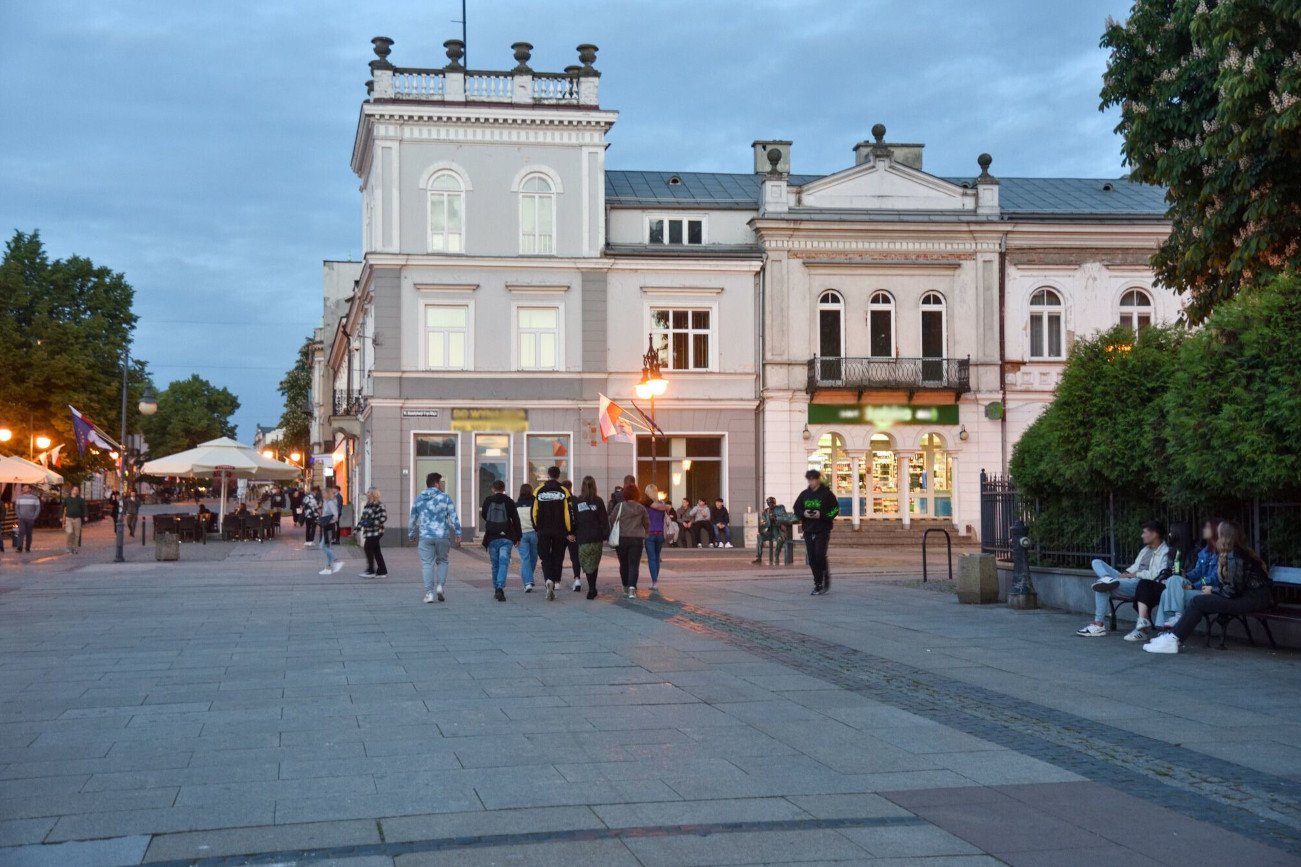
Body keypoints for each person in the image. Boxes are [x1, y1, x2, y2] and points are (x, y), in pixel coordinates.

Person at [1144, 521, 1273, 654]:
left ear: (1225, 536)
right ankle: (1171, 636)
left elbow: (1232, 591)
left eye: (1219, 534)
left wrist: (1212, 590)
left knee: (1199, 601)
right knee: (1197, 600)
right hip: (1248, 597)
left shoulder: (1235, 555)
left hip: (1252, 599)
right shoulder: (1233, 552)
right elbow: (1233, 587)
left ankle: (1173, 639)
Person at [1076, 520, 1170, 638]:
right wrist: (1126, 573)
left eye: (1144, 532)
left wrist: (1135, 574)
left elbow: (1157, 575)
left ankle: (1098, 625)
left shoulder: (1165, 552)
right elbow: (1135, 566)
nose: (1142, 535)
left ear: (1155, 534)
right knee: (1096, 562)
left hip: (1140, 583)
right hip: (1128, 578)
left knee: (1101, 587)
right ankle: (1106, 578)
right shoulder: (1145, 549)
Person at [1154, 518, 1222, 628]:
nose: (1204, 530)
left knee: (1167, 593)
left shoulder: (1221, 552)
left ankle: (1177, 619)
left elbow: (1214, 578)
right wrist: (1185, 575)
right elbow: (1197, 571)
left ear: (1215, 530)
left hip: (1210, 591)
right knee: (1172, 582)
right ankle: (1165, 628)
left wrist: (1194, 585)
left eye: (1207, 528)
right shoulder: (1205, 551)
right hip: (1199, 588)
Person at [409, 472, 462, 603]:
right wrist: (458, 532)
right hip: (442, 536)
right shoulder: (445, 497)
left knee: (427, 564)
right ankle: (440, 587)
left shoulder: (419, 498)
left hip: (425, 536)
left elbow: (413, 518)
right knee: (443, 561)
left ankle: (429, 594)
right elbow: (453, 516)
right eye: (440, 482)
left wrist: (411, 534)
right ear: (437, 483)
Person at [532, 466, 575, 601]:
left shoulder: (538, 490)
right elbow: (567, 513)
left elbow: (534, 512)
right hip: (559, 530)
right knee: (558, 556)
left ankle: (548, 579)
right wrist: (569, 530)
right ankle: (555, 581)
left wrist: (536, 527)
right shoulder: (564, 491)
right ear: (558, 475)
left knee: (545, 557)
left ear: (548, 475)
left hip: (543, 530)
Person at [796, 470, 839, 595]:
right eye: (809, 479)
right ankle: (818, 583)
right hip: (808, 530)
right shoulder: (804, 494)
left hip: (822, 529)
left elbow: (835, 509)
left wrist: (821, 515)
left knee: (820, 555)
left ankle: (825, 575)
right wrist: (804, 513)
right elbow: (797, 508)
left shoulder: (827, 494)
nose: (811, 482)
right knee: (812, 558)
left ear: (818, 480)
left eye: (813, 479)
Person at [481, 479, 522, 601]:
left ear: (493, 489)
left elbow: (484, 515)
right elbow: (516, 519)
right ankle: (500, 587)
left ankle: (496, 589)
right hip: (506, 537)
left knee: (495, 565)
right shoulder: (509, 501)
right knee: (503, 563)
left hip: (492, 537)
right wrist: (518, 537)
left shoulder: (488, 500)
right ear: (504, 489)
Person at [609, 481, 649, 599]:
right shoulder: (641, 507)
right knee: (634, 564)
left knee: (623, 564)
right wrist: (646, 533)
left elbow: (612, 518)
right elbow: (647, 522)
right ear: (637, 494)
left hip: (621, 538)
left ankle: (625, 586)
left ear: (625, 494)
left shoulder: (620, 506)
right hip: (637, 539)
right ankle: (632, 588)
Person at [573, 476, 609, 599]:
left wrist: (572, 532)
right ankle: (592, 588)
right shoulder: (598, 501)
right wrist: (605, 534)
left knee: (586, 562)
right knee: (594, 562)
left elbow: (574, 520)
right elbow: (604, 519)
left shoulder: (578, 501)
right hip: (596, 537)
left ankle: (592, 587)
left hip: (583, 537)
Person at [644, 484, 673, 592]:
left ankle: (654, 582)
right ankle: (655, 582)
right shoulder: (662, 504)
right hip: (660, 534)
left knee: (651, 558)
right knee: (657, 557)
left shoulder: (646, 506)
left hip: (649, 534)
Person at [358, 488, 389, 578]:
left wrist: (372, 523)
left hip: (376, 532)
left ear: (373, 494)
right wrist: (357, 528)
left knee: (368, 548)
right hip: (368, 532)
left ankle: (371, 571)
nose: (366, 493)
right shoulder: (367, 505)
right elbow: (363, 518)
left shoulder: (379, 505)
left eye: (368, 492)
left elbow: (383, 517)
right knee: (376, 551)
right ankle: (382, 571)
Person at [753, 497, 791, 564]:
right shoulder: (765, 512)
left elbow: (785, 517)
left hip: (779, 530)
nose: (772, 504)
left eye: (773, 503)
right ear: (768, 504)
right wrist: (762, 527)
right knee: (759, 536)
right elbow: (764, 523)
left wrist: (776, 518)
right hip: (770, 531)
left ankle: (776, 556)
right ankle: (759, 557)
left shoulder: (780, 508)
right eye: (770, 503)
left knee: (780, 539)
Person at [515, 483, 538, 592]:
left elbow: (514, 522)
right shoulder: (535, 504)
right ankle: (528, 580)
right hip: (534, 533)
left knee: (525, 559)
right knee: (533, 558)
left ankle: (528, 582)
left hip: (521, 535)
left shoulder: (516, 505)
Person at [561, 480, 583, 591]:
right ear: (571, 487)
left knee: (558, 557)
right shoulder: (577, 500)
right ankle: (577, 579)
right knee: (575, 557)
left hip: (562, 534)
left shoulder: (560, 500)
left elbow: (559, 519)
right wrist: (574, 533)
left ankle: (556, 581)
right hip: (575, 534)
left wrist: (566, 534)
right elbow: (580, 518)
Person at [317, 488, 343, 575]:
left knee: (322, 546)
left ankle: (336, 561)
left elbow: (336, 515)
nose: (322, 495)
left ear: (327, 494)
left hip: (329, 527)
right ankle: (328, 568)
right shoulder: (326, 502)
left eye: (324, 493)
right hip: (326, 526)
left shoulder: (331, 503)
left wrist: (329, 521)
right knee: (327, 546)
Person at [14, 485, 40, 553]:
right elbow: (17, 508)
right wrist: (19, 516)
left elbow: (38, 508)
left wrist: (34, 516)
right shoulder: (19, 498)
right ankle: (19, 547)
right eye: (23, 488)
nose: (24, 489)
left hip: (30, 518)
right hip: (22, 518)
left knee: (29, 533)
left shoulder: (35, 498)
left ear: (29, 489)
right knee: (21, 532)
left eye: (26, 488)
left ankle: (27, 547)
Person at [62, 485, 86, 554]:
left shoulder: (80, 500)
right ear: (72, 491)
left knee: (77, 534)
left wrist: (86, 515)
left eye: (77, 490)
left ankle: (75, 547)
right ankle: (68, 546)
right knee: (69, 532)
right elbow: (62, 507)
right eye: (75, 490)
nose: (76, 491)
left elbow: (84, 508)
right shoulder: (67, 499)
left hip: (77, 518)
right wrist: (60, 516)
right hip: (69, 518)